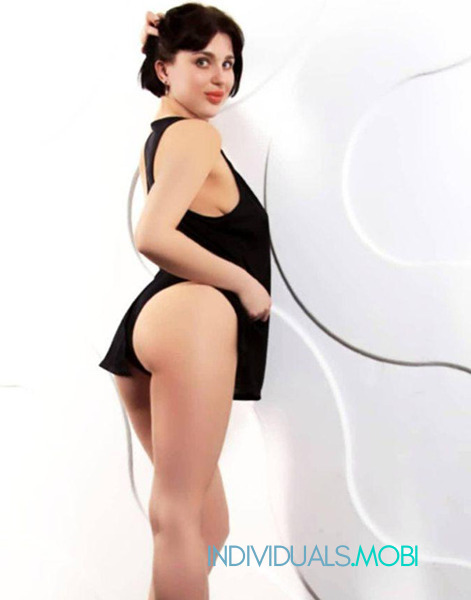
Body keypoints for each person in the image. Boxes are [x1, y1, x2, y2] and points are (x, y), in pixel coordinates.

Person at [98, 4, 271, 599]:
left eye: (228, 63)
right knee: (179, 515)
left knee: (207, 527)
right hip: (192, 316)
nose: (221, 77)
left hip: (156, 322)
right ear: (164, 69)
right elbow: (152, 234)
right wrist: (243, 282)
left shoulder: (165, 135)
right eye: (202, 61)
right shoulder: (196, 136)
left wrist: (166, 46)